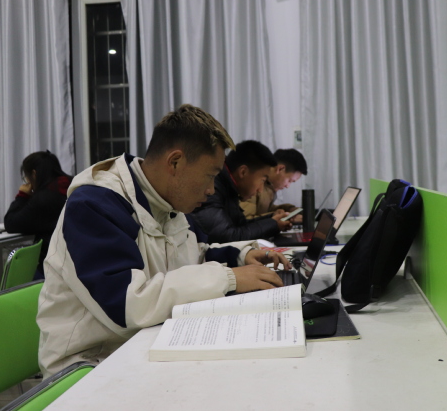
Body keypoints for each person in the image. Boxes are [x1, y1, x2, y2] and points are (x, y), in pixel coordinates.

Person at [36, 104, 290, 378]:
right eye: (210, 176)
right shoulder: (94, 205)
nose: (211, 189)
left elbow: (195, 256)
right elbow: (127, 307)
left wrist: (240, 257)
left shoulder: (167, 201)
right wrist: (229, 278)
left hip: (146, 346)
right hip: (90, 367)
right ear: (175, 162)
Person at [191, 140, 293, 243]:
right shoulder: (212, 187)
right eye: (262, 180)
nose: (260, 190)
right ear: (243, 172)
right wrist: (273, 224)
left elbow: (240, 225)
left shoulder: (229, 185)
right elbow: (226, 236)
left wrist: (272, 219)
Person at [4, 150, 72, 279]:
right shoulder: (73, 186)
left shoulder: (43, 199)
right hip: (80, 260)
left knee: (23, 279)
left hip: (54, 268)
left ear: (34, 174)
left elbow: (11, 223)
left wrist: (22, 196)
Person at [240, 148, 308, 222]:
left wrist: (289, 209)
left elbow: (261, 208)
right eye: (290, 181)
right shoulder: (253, 182)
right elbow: (244, 220)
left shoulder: (268, 185)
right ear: (280, 169)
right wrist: (278, 217)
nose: (287, 186)